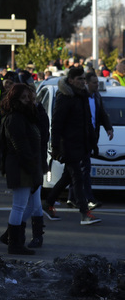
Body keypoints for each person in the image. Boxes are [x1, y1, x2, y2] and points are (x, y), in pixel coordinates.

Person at [43, 66, 101, 225]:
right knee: (78, 177)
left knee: (67, 177)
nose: (83, 82)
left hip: (81, 144)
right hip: (68, 145)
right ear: (71, 80)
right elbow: (57, 124)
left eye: (84, 79)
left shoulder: (82, 96)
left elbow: (88, 121)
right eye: (80, 79)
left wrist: (93, 144)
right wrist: (55, 147)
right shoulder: (65, 97)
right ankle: (84, 213)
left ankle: (48, 203)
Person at [0, 84, 44, 255]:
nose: (28, 100)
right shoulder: (15, 118)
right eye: (24, 97)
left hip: (27, 165)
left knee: (30, 206)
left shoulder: (26, 116)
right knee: (20, 206)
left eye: (29, 97)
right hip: (21, 167)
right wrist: (33, 170)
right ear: (15, 99)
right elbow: (21, 147)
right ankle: (14, 243)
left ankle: (11, 236)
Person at [66, 71, 113, 209]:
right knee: (84, 168)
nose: (97, 85)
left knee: (75, 170)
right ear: (86, 83)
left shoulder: (97, 96)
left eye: (98, 82)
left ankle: (71, 197)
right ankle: (88, 198)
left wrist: (108, 128)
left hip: (91, 137)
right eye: (94, 82)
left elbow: (102, 114)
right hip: (80, 137)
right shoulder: (80, 97)